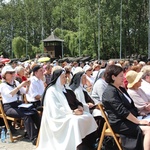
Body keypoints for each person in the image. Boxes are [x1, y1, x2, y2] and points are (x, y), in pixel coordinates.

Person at [37, 68, 98, 150]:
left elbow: (76, 101)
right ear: (58, 79)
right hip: (57, 117)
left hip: (69, 113)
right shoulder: (51, 91)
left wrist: (79, 106)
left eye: (65, 77)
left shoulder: (66, 89)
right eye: (63, 77)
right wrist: (73, 112)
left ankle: (88, 143)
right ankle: (76, 145)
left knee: (88, 116)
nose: (65, 79)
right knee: (75, 121)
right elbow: (56, 109)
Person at [102, 65, 150, 150]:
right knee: (148, 130)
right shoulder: (109, 92)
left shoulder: (121, 89)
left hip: (129, 119)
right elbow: (123, 111)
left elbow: (130, 105)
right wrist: (139, 121)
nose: (123, 77)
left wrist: (139, 114)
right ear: (113, 77)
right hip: (120, 123)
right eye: (121, 76)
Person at [0, 65, 41, 145]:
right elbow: (10, 94)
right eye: (10, 73)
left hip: (19, 105)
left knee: (34, 111)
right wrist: (20, 85)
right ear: (5, 75)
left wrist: (28, 85)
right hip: (9, 107)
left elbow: (25, 92)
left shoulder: (15, 82)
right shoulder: (2, 85)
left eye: (13, 72)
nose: (12, 74)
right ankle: (34, 138)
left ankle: (40, 132)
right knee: (26, 115)